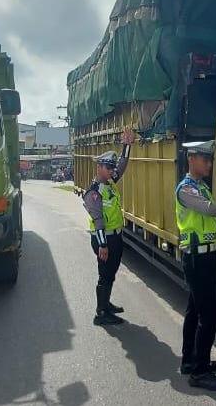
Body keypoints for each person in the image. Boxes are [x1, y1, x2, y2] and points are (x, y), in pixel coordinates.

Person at [176, 141, 216, 391]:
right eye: (205, 160)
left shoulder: (201, 187)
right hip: (196, 259)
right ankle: (199, 372)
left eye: (210, 160)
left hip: (206, 257)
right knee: (210, 315)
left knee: (194, 311)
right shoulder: (186, 189)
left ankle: (190, 361)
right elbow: (207, 209)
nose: (210, 164)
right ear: (192, 158)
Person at [83, 127, 136, 326]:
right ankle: (101, 313)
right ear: (99, 168)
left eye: (112, 167)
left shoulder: (109, 183)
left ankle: (106, 304)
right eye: (109, 167)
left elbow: (122, 166)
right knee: (104, 275)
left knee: (111, 273)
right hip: (103, 239)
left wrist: (127, 146)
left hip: (115, 237)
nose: (113, 170)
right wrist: (103, 245)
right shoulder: (94, 192)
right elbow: (98, 221)